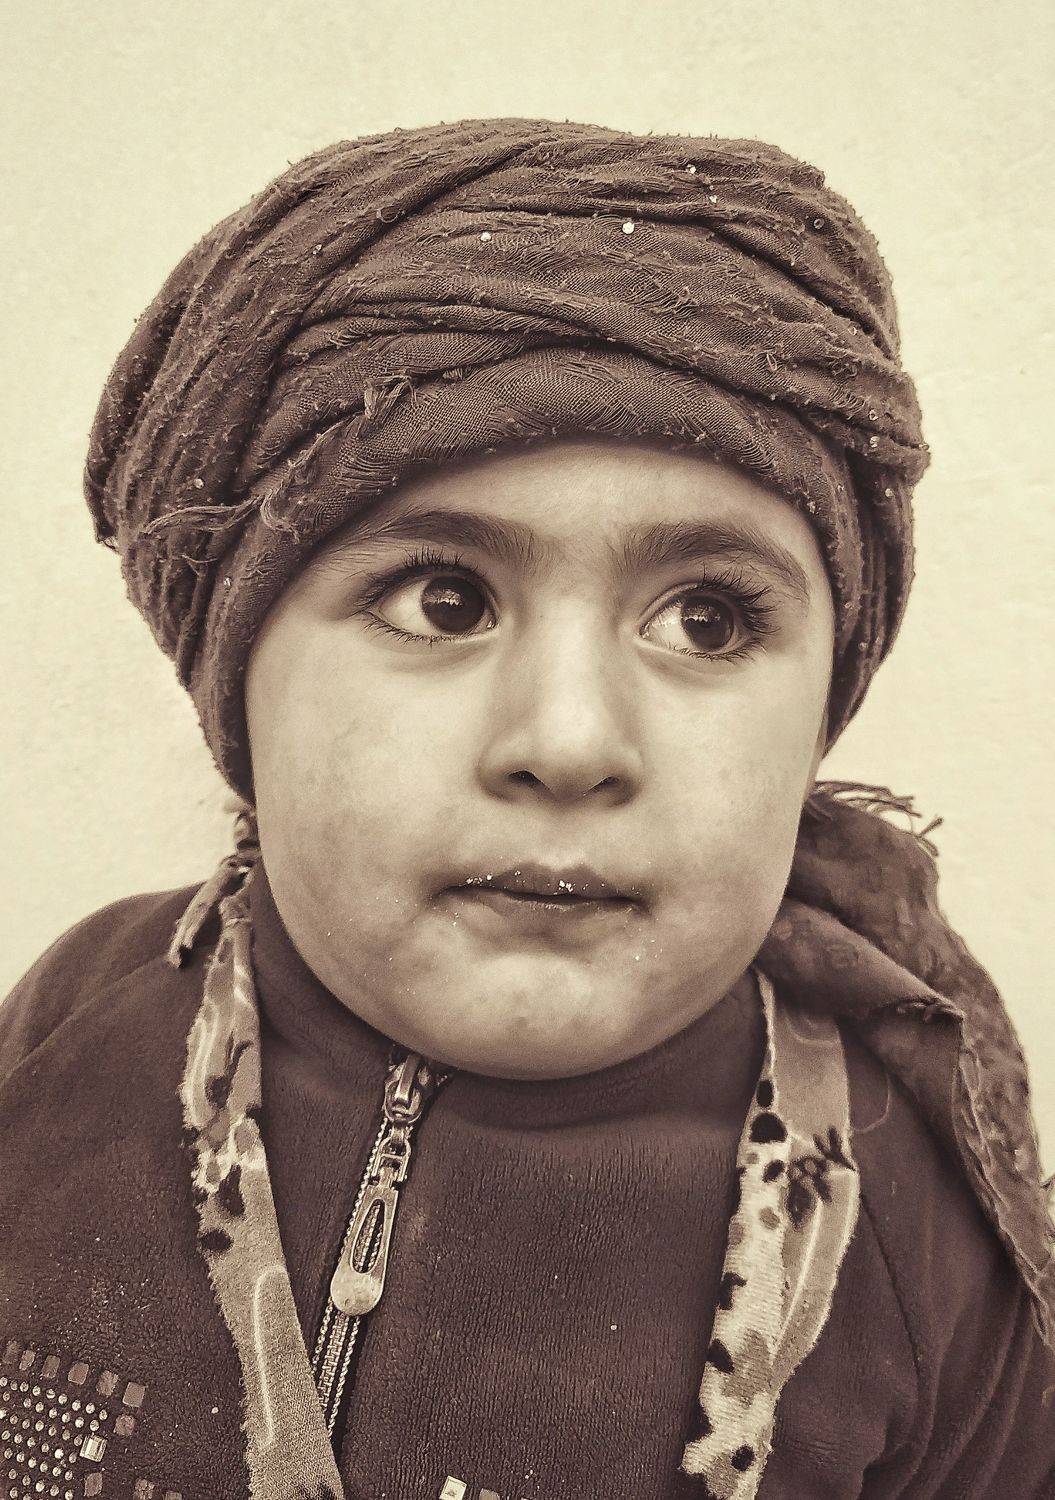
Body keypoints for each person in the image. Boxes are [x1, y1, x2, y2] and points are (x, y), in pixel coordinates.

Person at [1, 117, 1052, 1500]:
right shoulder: (81, 1012)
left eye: (707, 619)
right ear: (235, 682)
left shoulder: (912, 1223)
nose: (570, 742)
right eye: (445, 602)